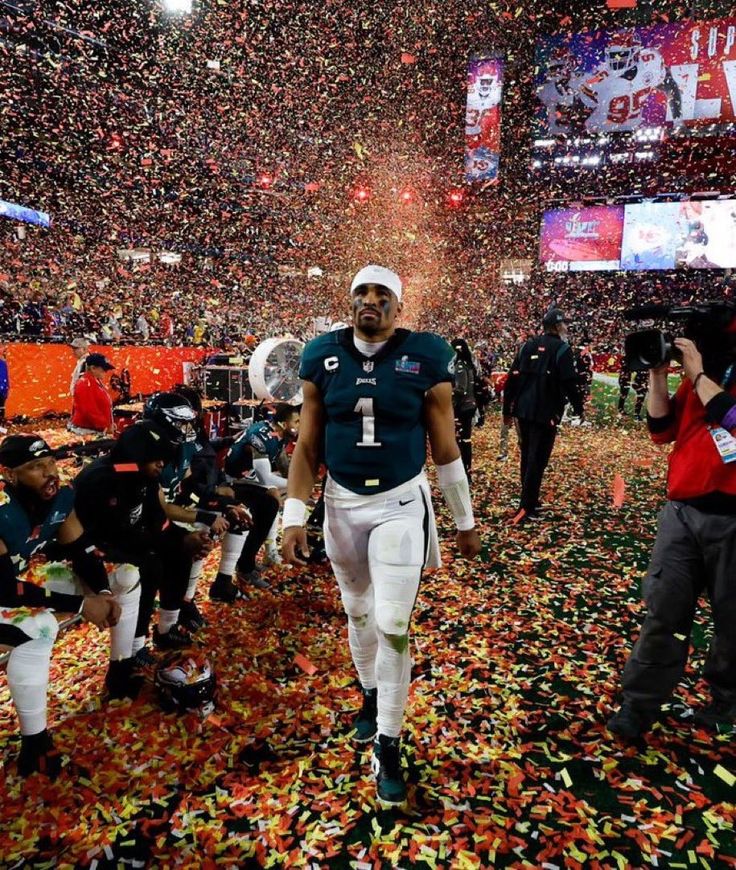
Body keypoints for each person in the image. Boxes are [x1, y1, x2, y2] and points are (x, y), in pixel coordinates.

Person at [282, 264, 481, 806]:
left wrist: (463, 520)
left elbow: (444, 445)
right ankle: (370, 696)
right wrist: (294, 515)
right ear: (350, 302)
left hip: (399, 502)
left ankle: (389, 740)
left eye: (382, 293)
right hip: (342, 503)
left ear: (398, 305)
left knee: (394, 624)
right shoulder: (321, 354)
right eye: (361, 292)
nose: (370, 300)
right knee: (358, 613)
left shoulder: (426, 354)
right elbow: (307, 445)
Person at [608, 311, 736, 738]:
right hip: (683, 511)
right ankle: (639, 703)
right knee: (663, 610)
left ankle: (726, 702)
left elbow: (731, 418)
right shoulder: (701, 377)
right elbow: (660, 429)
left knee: (732, 618)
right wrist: (659, 376)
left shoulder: (707, 376)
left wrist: (699, 376)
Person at [0, 435, 135, 778]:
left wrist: (102, 593)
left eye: (50, 463)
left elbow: (82, 549)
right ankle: (35, 742)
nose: (49, 473)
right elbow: (2, 588)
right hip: (3, 587)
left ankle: (122, 669)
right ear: (9, 474)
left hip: (16, 582)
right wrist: (78, 605)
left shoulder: (60, 498)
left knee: (125, 577)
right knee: (39, 627)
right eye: (35, 467)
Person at [73, 419, 217, 663]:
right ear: (137, 455)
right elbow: (101, 537)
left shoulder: (144, 476)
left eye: (164, 457)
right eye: (155, 457)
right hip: (93, 550)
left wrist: (186, 538)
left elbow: (158, 522)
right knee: (149, 565)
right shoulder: (100, 480)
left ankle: (166, 629)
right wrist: (162, 542)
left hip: (132, 540)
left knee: (179, 551)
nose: (162, 463)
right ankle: (133, 648)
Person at [503, 309, 584, 525]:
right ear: (557, 326)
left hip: (523, 410)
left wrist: (507, 410)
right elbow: (569, 382)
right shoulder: (562, 349)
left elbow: (511, 378)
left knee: (528, 457)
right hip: (545, 410)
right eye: (564, 324)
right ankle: (527, 506)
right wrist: (579, 408)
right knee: (538, 459)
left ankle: (528, 499)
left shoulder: (527, 345)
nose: (567, 327)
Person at [225, 403, 300, 569]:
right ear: (284, 424)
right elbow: (265, 478)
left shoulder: (278, 433)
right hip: (233, 481)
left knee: (276, 497)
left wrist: (294, 479)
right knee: (271, 501)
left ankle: (269, 551)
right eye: (297, 422)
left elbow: (280, 461)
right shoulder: (261, 435)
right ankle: (249, 560)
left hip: (250, 478)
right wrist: (297, 485)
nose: (299, 426)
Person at [70, 352, 115, 435]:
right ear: (93, 368)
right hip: (87, 430)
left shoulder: (94, 381)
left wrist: (109, 423)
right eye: (103, 369)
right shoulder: (85, 384)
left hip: (93, 429)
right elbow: (89, 411)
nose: (106, 371)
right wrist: (105, 426)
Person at [0, 346, 8, 421]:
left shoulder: (3, 364)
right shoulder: (3, 364)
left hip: (2, 389)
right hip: (3, 389)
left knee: (2, 405)